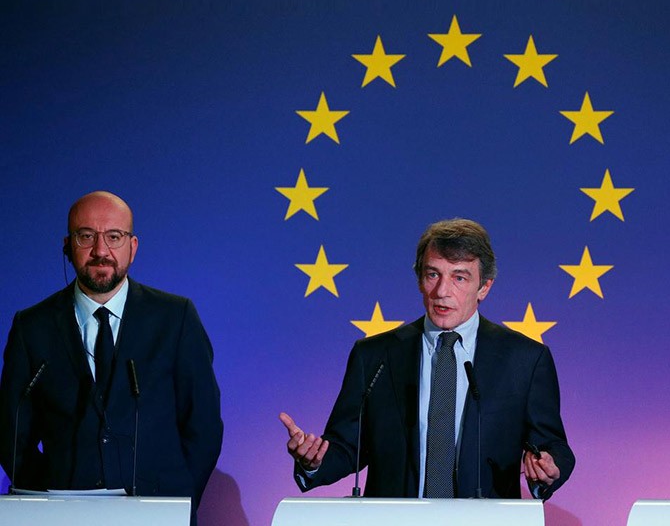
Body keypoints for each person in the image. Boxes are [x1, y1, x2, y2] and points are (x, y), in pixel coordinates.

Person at [280, 218, 575, 499]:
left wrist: (548, 467)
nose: (442, 291)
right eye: (433, 274)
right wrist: (313, 460)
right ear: (420, 279)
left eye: (459, 277)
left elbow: (552, 445)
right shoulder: (375, 356)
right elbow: (347, 447)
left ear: (484, 286)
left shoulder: (524, 359)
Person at [0, 191, 223, 523]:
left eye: (114, 237)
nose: (100, 251)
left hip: (157, 514)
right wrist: (47, 497)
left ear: (132, 247)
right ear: (67, 245)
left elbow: (203, 424)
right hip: (63, 516)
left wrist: (178, 501)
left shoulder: (175, 318)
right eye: (86, 236)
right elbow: (10, 432)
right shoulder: (32, 327)